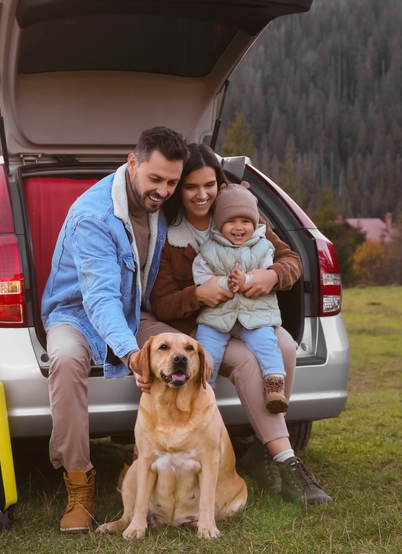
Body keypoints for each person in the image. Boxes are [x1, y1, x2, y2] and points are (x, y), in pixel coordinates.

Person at [149, 143, 331, 505]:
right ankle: (282, 457)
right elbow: (161, 303)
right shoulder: (170, 235)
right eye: (190, 187)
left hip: (250, 316)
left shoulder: (241, 217)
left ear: (220, 183)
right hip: (203, 326)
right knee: (248, 361)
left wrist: (272, 275)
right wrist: (198, 295)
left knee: (285, 347)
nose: (202, 195)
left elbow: (291, 260)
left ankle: (263, 451)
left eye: (209, 185)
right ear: (177, 188)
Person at [40, 126, 189, 533]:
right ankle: (78, 484)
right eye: (155, 179)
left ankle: (171, 462)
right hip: (75, 312)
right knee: (67, 360)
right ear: (132, 163)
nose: (162, 190)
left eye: (172, 182)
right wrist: (132, 354)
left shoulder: (161, 205)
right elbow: (99, 299)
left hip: (130, 309)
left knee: (183, 349)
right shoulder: (94, 215)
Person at [192, 181, 288, 413]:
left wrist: (248, 281)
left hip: (254, 314)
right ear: (219, 224)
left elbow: (267, 273)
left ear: (254, 224)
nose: (239, 227)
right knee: (207, 350)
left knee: (267, 343)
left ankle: (274, 384)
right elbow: (200, 276)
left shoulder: (264, 247)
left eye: (245, 221)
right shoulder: (209, 248)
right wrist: (223, 283)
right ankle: (203, 392)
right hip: (217, 316)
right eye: (231, 221)